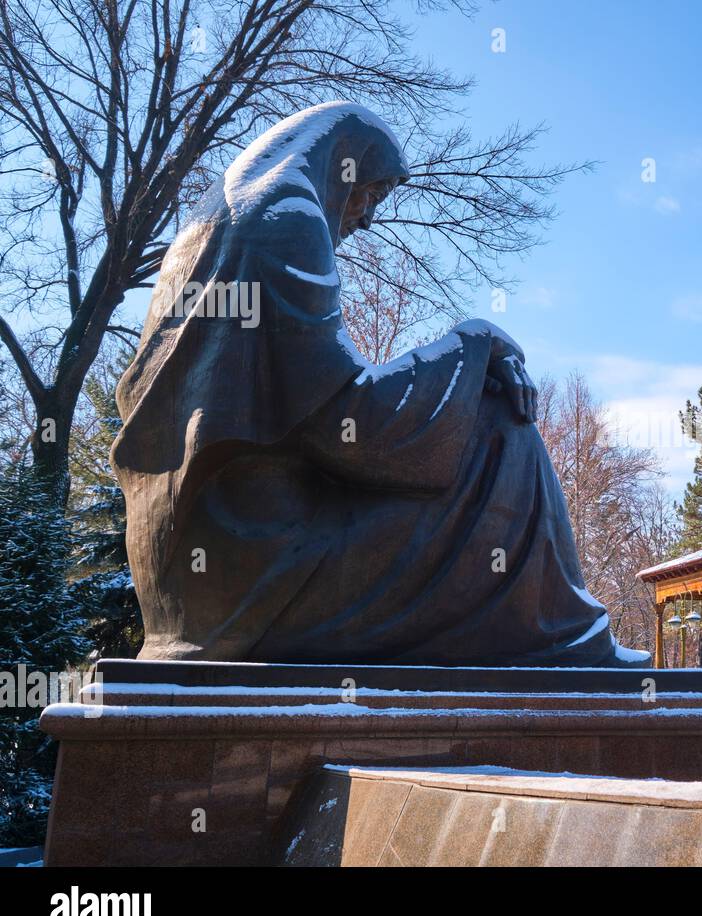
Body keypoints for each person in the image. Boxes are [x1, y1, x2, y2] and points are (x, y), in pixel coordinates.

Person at [112, 102, 648, 668]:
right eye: (371, 194)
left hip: (192, 567)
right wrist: (474, 345)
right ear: (339, 165)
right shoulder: (285, 218)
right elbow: (349, 425)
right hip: (259, 565)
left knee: (486, 415)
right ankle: (567, 639)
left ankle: (565, 638)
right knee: (502, 430)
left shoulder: (214, 222)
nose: (367, 216)